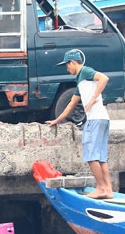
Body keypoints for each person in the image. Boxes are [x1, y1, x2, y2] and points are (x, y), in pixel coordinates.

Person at [48, 49, 113, 199]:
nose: (67, 69)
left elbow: (104, 78)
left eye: (67, 65)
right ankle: (108, 190)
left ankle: (101, 188)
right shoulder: (80, 81)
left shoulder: (85, 71)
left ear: (73, 62)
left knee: (91, 155)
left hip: (95, 119)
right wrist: (57, 120)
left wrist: (93, 99)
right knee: (101, 157)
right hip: (103, 118)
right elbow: (71, 104)